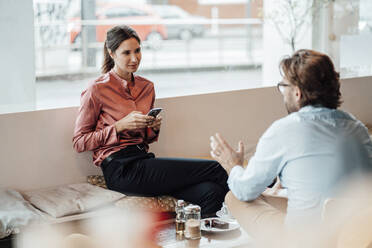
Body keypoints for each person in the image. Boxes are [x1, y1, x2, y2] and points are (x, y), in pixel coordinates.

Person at [209, 49, 372, 245]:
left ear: (297, 93)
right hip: (356, 236)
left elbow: (245, 190)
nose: (282, 92)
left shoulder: (285, 130)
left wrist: (233, 165)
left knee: (234, 197)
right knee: (270, 195)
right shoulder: (359, 129)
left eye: (283, 85)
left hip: (306, 239)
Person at [72, 25, 228, 216]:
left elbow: (145, 139)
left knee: (211, 192)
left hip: (144, 162)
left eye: (137, 50)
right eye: (126, 53)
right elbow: (79, 142)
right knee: (216, 168)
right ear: (111, 53)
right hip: (121, 169)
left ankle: (200, 241)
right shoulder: (96, 89)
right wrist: (119, 127)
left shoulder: (147, 87)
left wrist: (153, 128)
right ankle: (264, 187)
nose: (134, 58)